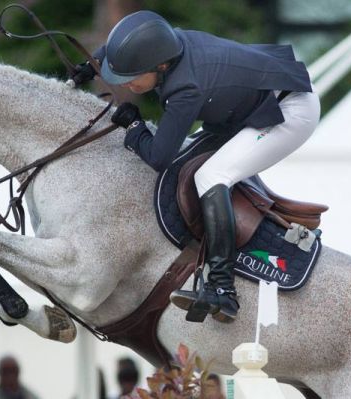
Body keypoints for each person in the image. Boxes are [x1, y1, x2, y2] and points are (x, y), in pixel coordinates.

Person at [72, 10, 319, 323]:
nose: (128, 83)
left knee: (211, 177)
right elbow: (132, 44)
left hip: (290, 112)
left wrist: (135, 128)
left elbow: (159, 158)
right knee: (193, 161)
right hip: (252, 102)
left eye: (133, 76)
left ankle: (222, 290)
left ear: (161, 66)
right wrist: (92, 65)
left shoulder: (185, 88)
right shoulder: (168, 45)